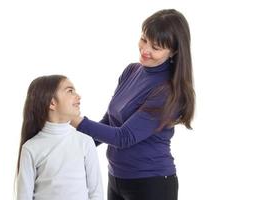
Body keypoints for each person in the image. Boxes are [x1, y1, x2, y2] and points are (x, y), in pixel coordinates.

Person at [71, 9, 195, 200]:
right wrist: (72, 148)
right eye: (144, 40)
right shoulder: (131, 71)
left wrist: (74, 120)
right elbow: (109, 122)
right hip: (116, 177)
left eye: (156, 47)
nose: (145, 50)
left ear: (174, 51)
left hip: (152, 184)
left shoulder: (168, 91)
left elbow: (124, 136)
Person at [16, 75, 103, 200]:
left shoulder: (85, 142)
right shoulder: (31, 148)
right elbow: (24, 196)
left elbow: (96, 193)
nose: (78, 96)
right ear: (52, 102)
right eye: (70, 91)